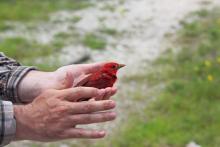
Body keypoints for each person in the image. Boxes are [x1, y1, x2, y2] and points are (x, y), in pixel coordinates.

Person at [0, 52, 117, 146]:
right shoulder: (104, 76)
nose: (118, 67)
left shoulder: (104, 76)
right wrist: (23, 120)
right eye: (114, 67)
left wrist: (47, 81)